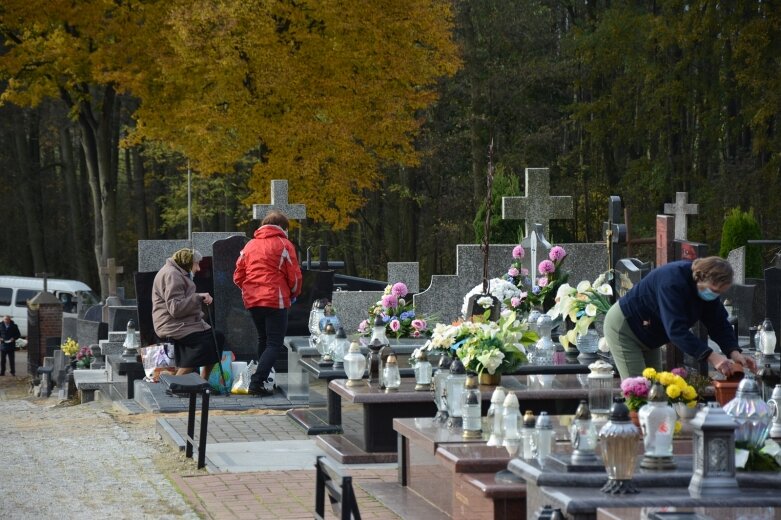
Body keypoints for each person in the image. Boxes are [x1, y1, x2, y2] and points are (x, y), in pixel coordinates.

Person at [604, 256, 757, 380]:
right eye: (714, 291)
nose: (715, 295)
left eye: (719, 292)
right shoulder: (672, 281)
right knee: (639, 392)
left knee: (658, 393)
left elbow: (718, 323)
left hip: (650, 336)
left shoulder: (706, 287)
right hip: (624, 328)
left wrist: (734, 352)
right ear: (701, 278)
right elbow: (676, 330)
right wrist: (713, 357)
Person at [234, 210, 302, 396]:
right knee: (274, 343)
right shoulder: (284, 244)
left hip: (253, 300)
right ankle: (256, 382)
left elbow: (237, 276)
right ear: (282, 227)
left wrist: (249, 290)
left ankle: (262, 379)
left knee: (263, 339)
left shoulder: (249, 245)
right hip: (275, 299)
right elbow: (294, 277)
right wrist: (293, 294)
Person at [152, 248, 219, 379]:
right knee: (205, 343)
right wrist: (197, 297)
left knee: (217, 338)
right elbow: (175, 308)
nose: (199, 268)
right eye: (196, 264)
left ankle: (202, 381)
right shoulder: (172, 275)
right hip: (171, 324)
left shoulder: (176, 272)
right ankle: (178, 382)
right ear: (187, 263)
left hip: (183, 323)